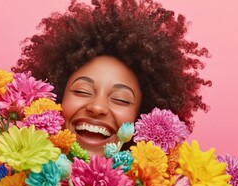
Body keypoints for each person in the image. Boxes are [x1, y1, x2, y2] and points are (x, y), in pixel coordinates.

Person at [13, 0, 211, 156]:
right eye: (82, 91)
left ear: (142, 116)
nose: (97, 107)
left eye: (120, 99)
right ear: (55, 97)